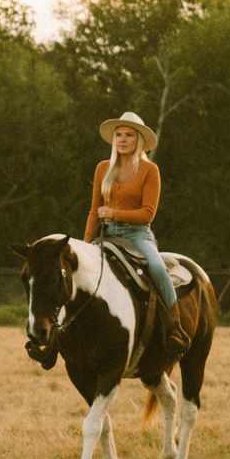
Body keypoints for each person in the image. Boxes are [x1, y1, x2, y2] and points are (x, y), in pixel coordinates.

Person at [84, 110, 179, 314]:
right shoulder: (102, 168)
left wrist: (114, 213)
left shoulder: (149, 170)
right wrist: (84, 245)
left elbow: (148, 214)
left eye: (129, 135)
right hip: (106, 234)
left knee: (157, 268)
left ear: (139, 140)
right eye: (119, 135)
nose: (123, 140)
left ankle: (175, 322)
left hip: (137, 236)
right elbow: (94, 211)